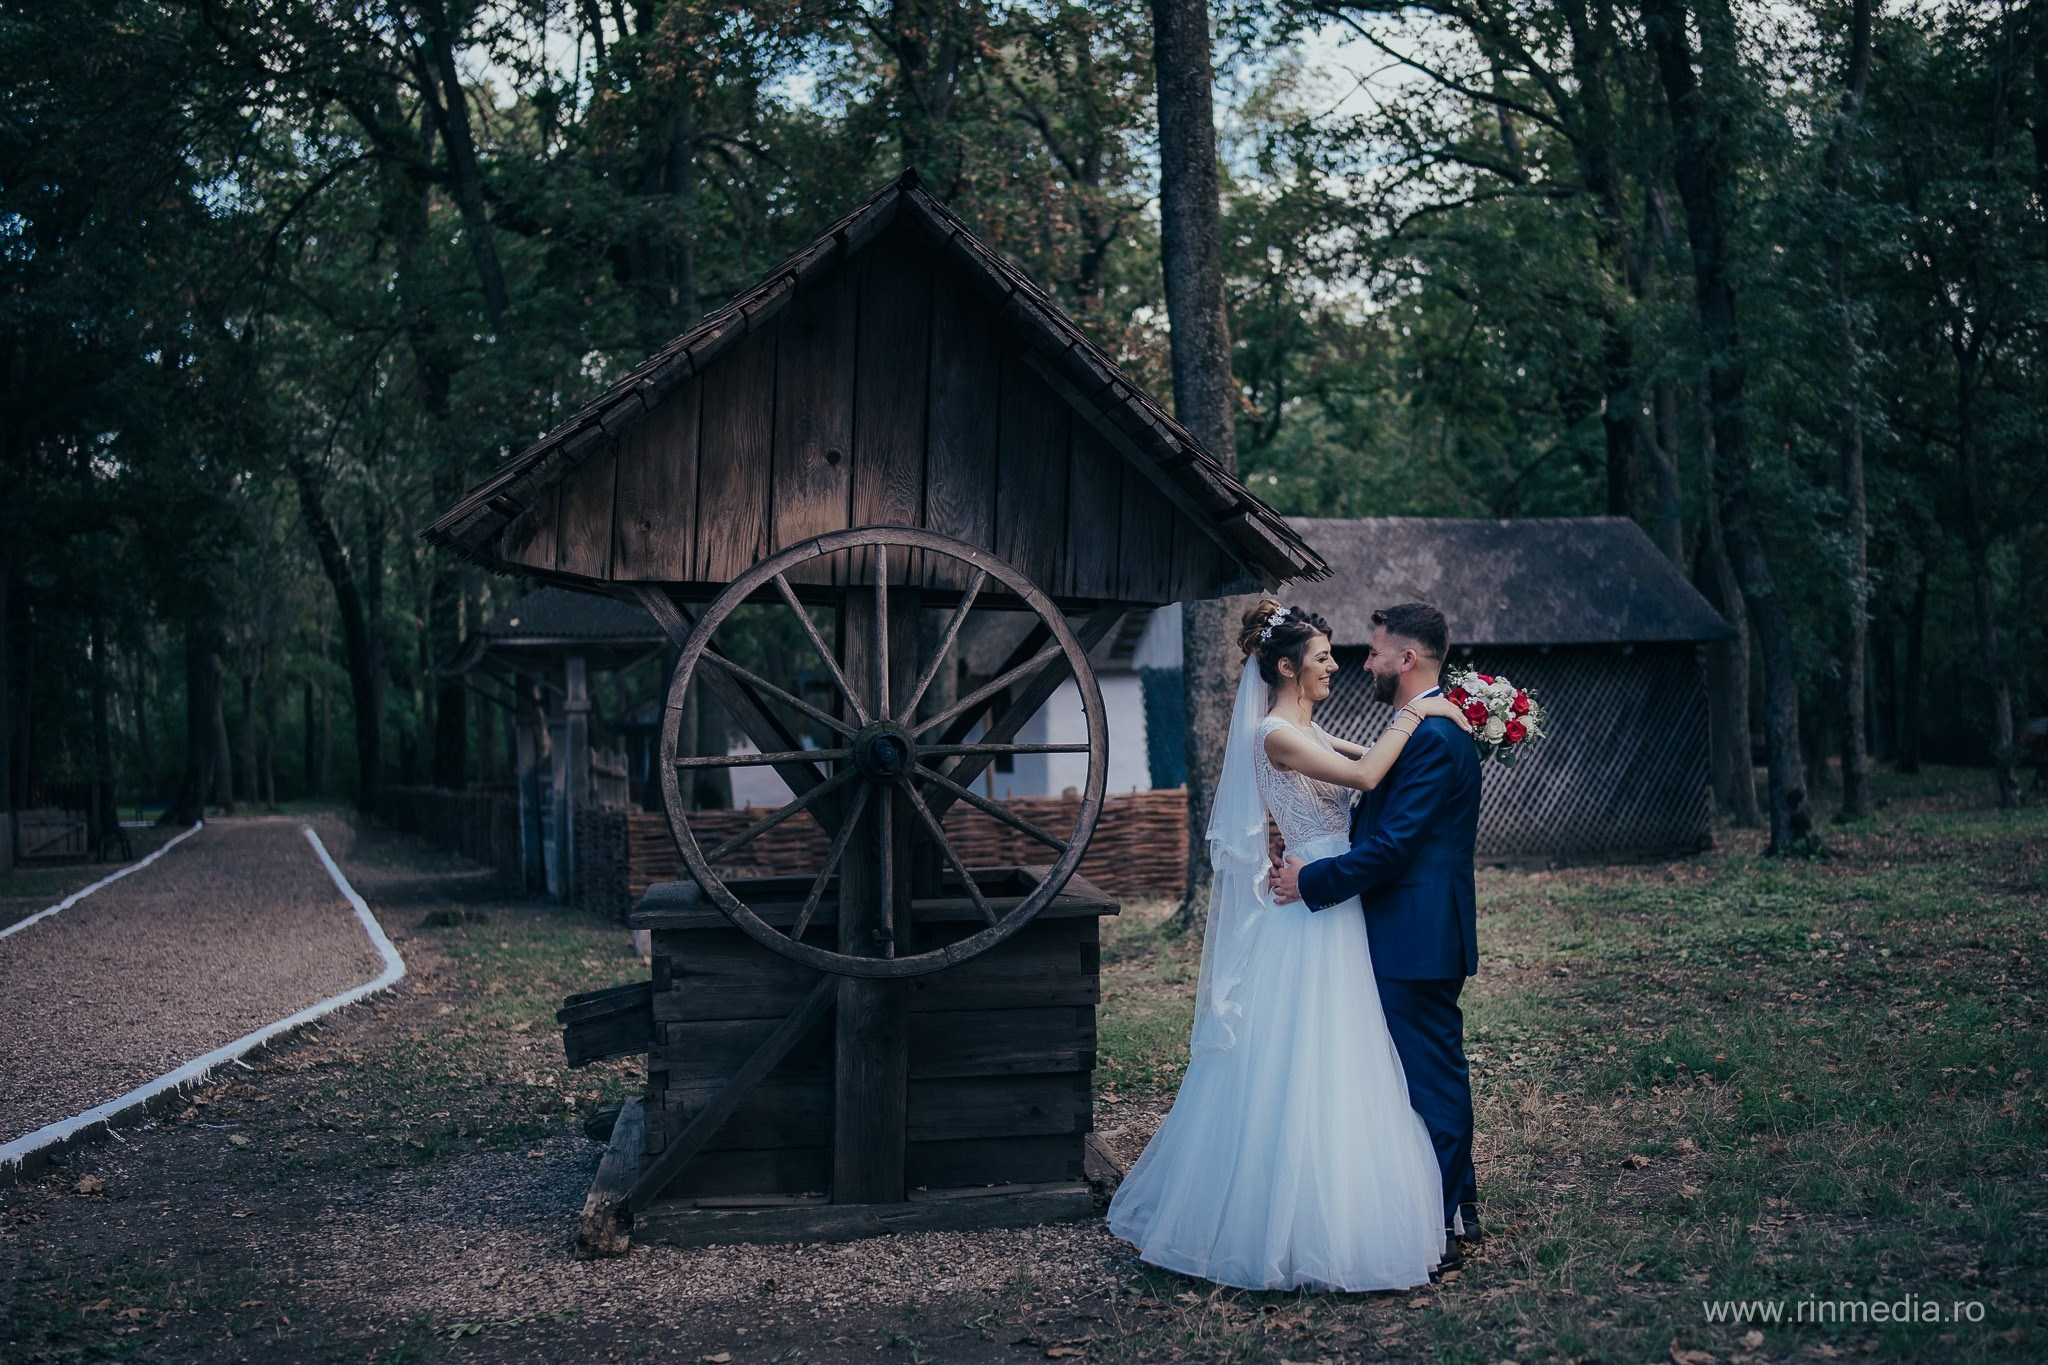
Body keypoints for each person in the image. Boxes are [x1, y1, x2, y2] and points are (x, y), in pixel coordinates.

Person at [1105, 599, 1473, 1291]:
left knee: (1352, 1054)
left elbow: (1366, 762)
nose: (1338, 664)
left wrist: (1434, 715)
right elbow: (1366, 776)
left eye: (1342, 653)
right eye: (1323, 656)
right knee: (1304, 1056)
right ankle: (1287, 1222)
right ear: (1285, 666)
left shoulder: (1309, 727)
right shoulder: (1275, 732)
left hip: (1337, 900)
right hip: (1310, 905)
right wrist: (1422, 713)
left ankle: (1383, 1206)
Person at [1271, 601, 1485, 1263]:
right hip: (1404, 929)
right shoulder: (1422, 728)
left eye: (1374, 651)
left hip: (1416, 936)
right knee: (1413, 1076)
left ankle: (1442, 1222)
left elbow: (1392, 848)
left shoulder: (1432, 736)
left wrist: (1310, 880)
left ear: (1407, 658)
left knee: (1430, 1079)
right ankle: (1453, 1209)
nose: (1364, 663)